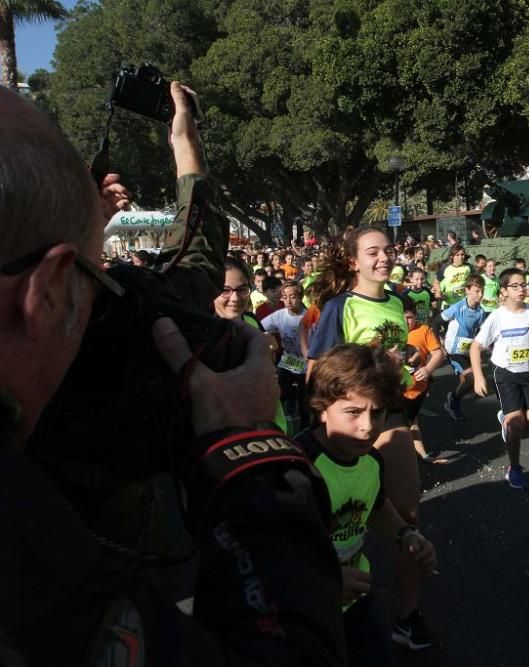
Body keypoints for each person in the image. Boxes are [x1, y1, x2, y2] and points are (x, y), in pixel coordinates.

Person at [0, 83, 347, 663]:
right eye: (94, 279)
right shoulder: (28, 560)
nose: (103, 300)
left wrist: (72, 221)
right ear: (50, 290)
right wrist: (246, 452)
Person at [305, 227, 434, 648]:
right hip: (350, 417)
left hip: (390, 412)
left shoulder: (398, 299)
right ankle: (324, 597)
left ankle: (407, 616)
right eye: (372, 252)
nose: (383, 258)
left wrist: (403, 364)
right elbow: (317, 370)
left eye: (387, 250)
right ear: (353, 261)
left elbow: (400, 357)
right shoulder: (340, 306)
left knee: (408, 513)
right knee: (339, 511)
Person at [297, 345, 437, 660]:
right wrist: (323, 582)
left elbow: (373, 505)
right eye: (353, 412)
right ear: (322, 407)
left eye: (377, 412)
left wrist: (405, 534)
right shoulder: (298, 469)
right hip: (304, 611)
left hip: (357, 602)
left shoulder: (371, 460)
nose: (368, 426)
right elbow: (269, 551)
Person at [470, 268, 529, 489]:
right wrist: (478, 377)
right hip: (506, 374)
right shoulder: (497, 316)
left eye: (523, 284)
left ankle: (507, 421)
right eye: (516, 286)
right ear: (504, 291)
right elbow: (475, 347)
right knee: (517, 425)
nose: (521, 289)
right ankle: (515, 467)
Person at [401, 296, 446, 464]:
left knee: (411, 422)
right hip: (397, 390)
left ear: (415, 316)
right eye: (403, 318)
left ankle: (422, 455)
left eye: (410, 317)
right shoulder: (392, 333)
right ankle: (406, 458)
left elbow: (438, 353)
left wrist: (428, 369)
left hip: (417, 389)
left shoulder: (424, 330)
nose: (406, 322)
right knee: (403, 424)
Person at [441, 275, 488, 422]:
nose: (480, 295)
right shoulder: (458, 307)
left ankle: (456, 396)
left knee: (469, 382)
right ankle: (452, 400)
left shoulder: (480, 311)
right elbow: (437, 321)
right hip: (454, 351)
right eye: (477, 291)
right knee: (471, 378)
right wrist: (439, 343)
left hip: (467, 349)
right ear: (467, 290)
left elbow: (482, 330)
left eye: (482, 291)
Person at [263, 282, 308, 430]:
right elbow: (258, 327)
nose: (288, 301)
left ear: (300, 297)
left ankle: (305, 431)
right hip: (287, 362)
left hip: (306, 366)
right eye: (284, 297)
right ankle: (276, 428)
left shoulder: (310, 316)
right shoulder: (279, 316)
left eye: (293, 297)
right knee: (278, 396)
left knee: (304, 403)